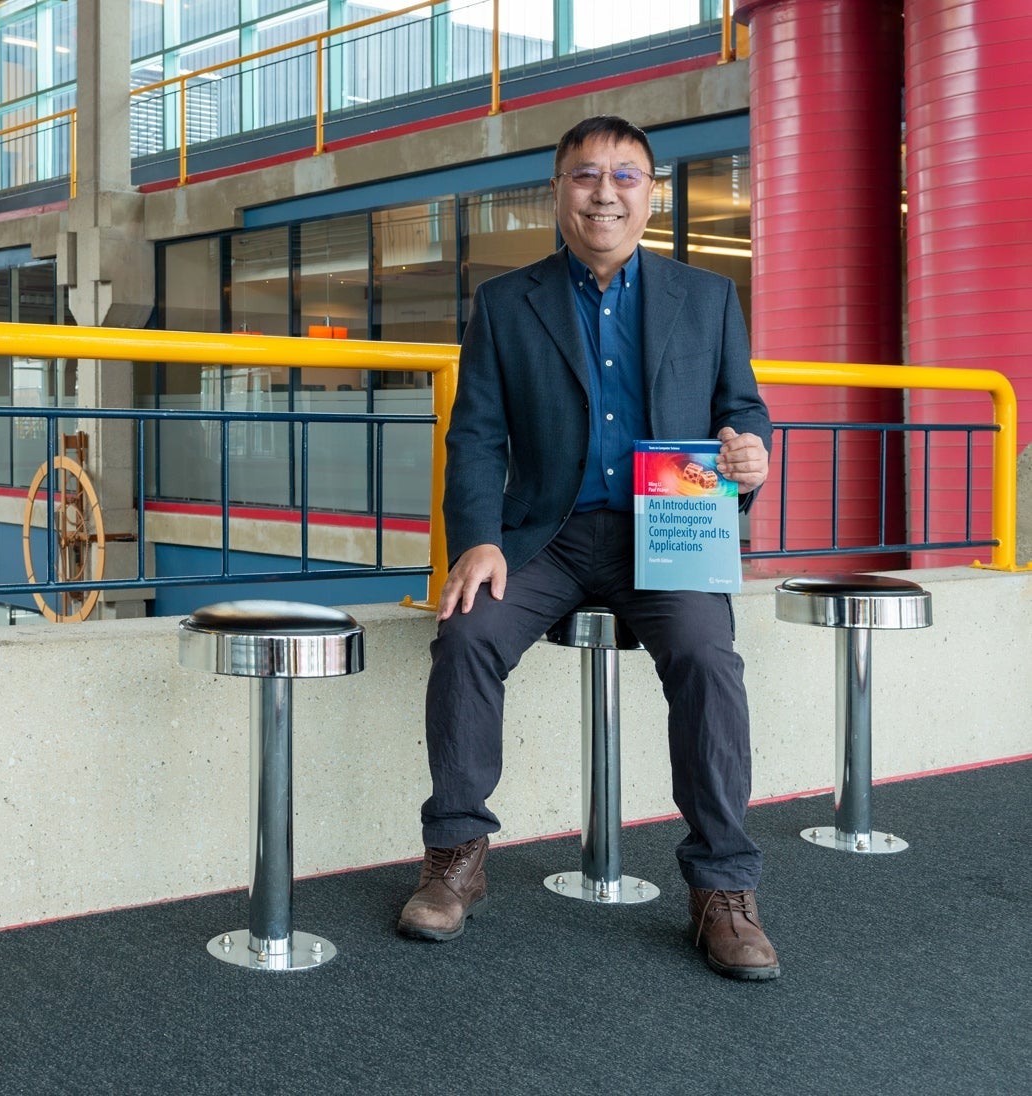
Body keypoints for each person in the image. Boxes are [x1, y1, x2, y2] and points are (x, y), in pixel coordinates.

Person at [396, 116, 779, 981]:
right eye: (584, 176)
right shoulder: (506, 302)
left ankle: (722, 888)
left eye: (626, 176)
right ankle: (456, 854)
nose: (604, 192)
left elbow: (742, 410)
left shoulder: (708, 297)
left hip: (668, 534)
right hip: (546, 536)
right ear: (558, 190)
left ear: (651, 193)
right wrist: (480, 543)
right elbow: (478, 438)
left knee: (710, 659)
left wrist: (749, 453)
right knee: (464, 635)